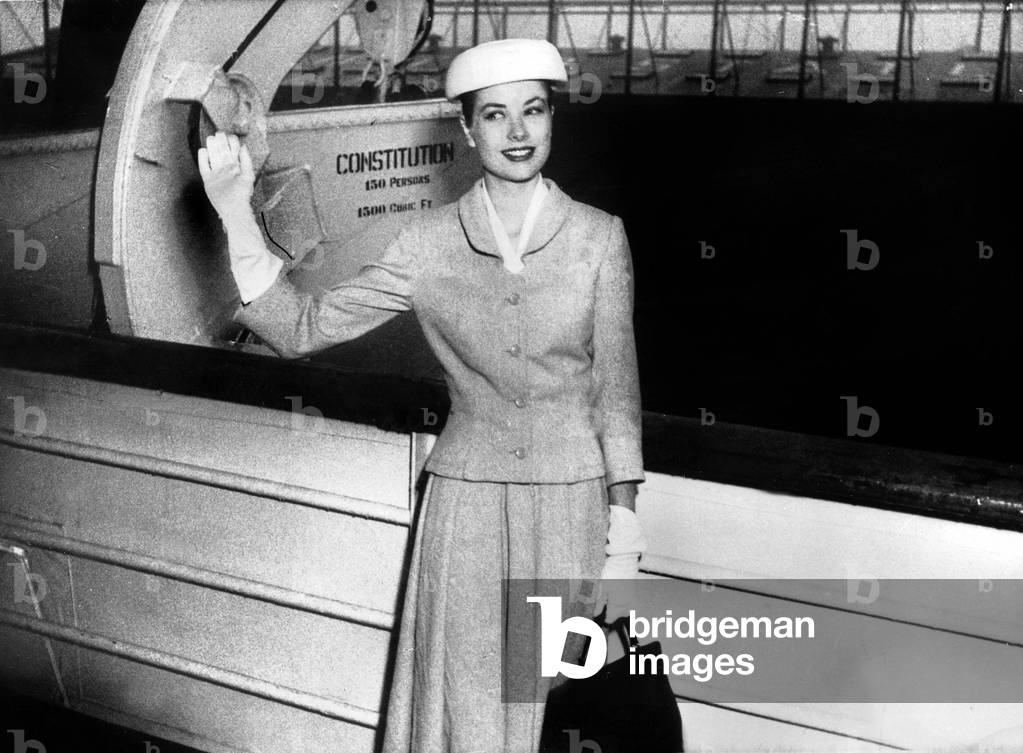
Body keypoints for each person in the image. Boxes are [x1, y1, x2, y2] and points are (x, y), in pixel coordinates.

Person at [198, 38, 648, 753]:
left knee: (555, 707)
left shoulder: (599, 237)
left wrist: (623, 541)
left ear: (552, 118)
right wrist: (235, 213)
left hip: (572, 507)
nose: (518, 132)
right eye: (495, 115)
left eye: (533, 110)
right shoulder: (426, 243)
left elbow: (616, 396)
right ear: (467, 130)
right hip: (466, 509)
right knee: (468, 709)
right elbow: (302, 327)